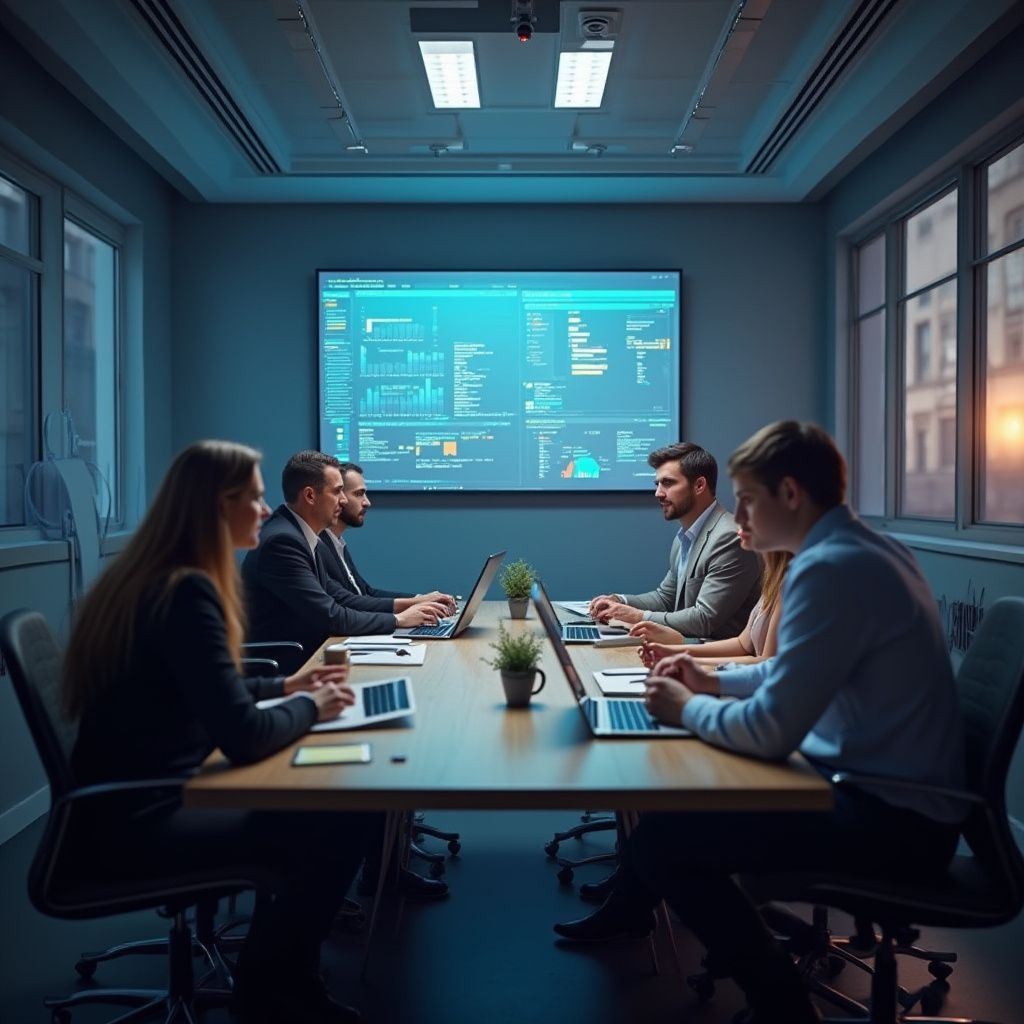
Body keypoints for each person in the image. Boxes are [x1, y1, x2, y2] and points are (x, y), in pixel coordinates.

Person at [555, 422, 967, 1024]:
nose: (738, 516)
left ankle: (785, 1011)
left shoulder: (831, 571)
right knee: (672, 818)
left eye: (748, 499)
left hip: (893, 825)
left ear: (791, 494)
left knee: (666, 842)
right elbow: (787, 670)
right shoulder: (860, 552)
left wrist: (685, 707)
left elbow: (772, 731)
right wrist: (713, 682)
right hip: (890, 798)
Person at [64, 440, 372, 1024]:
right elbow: (245, 736)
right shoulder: (187, 592)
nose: (266, 510)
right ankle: (273, 992)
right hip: (142, 818)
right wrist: (314, 707)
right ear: (214, 506)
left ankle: (275, 979)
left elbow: (207, 689)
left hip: (127, 802)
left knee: (331, 805)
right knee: (342, 811)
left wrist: (287, 686)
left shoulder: (158, 578)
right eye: (252, 498)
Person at [242, 451, 447, 672]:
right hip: (290, 666)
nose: (343, 499)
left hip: (313, 656)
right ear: (310, 496)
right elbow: (332, 615)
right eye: (337, 491)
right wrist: (399, 620)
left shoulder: (303, 536)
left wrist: (410, 608)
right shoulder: (283, 542)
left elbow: (340, 598)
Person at [587, 442, 761, 640]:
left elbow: (704, 619)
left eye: (668, 483)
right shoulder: (685, 536)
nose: (658, 493)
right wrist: (620, 601)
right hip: (686, 647)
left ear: (699, 485)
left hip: (714, 654)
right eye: (657, 484)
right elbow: (665, 598)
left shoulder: (729, 537)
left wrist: (637, 616)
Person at [320, 461, 455, 616]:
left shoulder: (337, 543)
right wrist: (406, 614)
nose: (367, 502)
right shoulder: (319, 545)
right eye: (358, 494)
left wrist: (420, 599)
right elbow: (347, 602)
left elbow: (366, 592)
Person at [634, 549, 791, 670]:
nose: (738, 526)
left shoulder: (789, 582)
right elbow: (742, 644)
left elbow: (767, 663)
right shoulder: (774, 574)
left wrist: (683, 660)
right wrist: (672, 652)